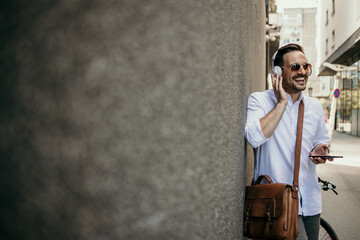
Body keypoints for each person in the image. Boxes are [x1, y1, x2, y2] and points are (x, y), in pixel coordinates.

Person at [245, 43, 332, 240]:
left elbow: (321, 140)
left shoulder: (315, 107)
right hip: (276, 203)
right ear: (277, 72)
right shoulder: (259, 101)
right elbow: (253, 137)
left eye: (305, 66)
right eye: (295, 67)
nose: (302, 72)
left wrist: (320, 149)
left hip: (310, 201)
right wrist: (282, 103)